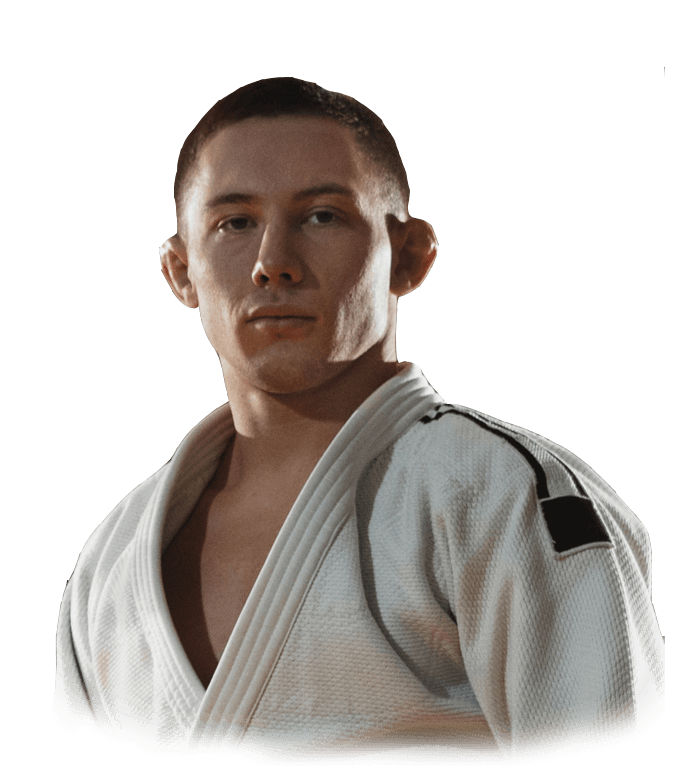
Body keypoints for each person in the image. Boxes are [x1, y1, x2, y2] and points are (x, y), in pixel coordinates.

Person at [53, 78, 664, 762]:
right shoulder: (112, 554)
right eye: (235, 223)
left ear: (409, 254)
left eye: (322, 216)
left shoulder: (506, 494)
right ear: (180, 271)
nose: (273, 264)